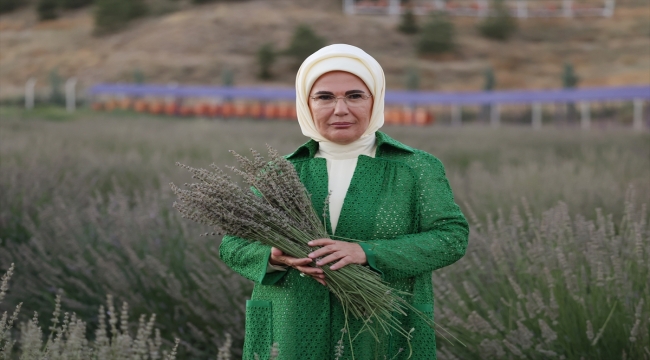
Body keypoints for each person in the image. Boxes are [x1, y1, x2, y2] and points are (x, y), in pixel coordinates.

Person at [219, 44, 469, 360]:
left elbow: (451, 237)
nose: (340, 109)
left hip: (382, 331)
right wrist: (276, 256)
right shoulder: (280, 171)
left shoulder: (415, 168)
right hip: (292, 329)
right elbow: (233, 245)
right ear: (305, 103)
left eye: (355, 95)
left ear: (375, 100)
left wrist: (366, 252)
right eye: (324, 97)